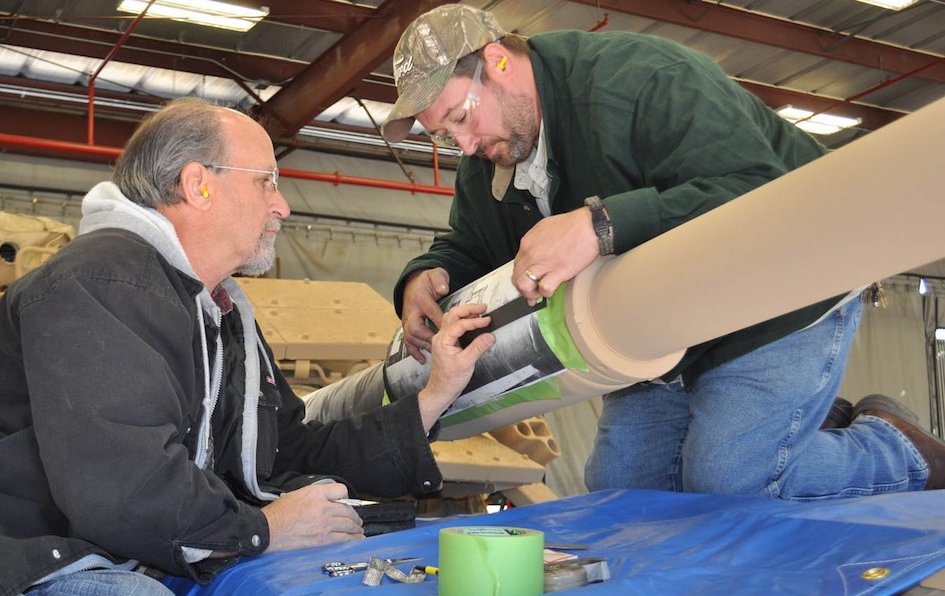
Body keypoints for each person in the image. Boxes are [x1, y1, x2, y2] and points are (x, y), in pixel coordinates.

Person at [0, 98, 496, 596]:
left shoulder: (222, 317)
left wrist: (434, 391)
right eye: (268, 180)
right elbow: (121, 482)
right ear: (198, 185)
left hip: (50, 551)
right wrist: (265, 531)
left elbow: (288, 449)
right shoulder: (104, 279)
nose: (284, 204)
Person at [382, 5, 945, 500]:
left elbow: (758, 188)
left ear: (499, 62)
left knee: (727, 481)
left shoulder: (641, 79)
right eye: (442, 136)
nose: (465, 145)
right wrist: (427, 274)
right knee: (623, 491)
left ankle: (897, 449)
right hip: (666, 327)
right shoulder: (489, 155)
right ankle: (788, 425)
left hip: (779, 293)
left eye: (460, 117)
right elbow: (471, 242)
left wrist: (599, 225)